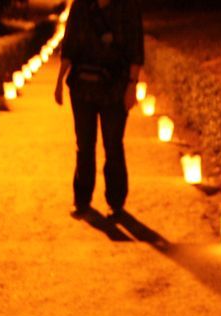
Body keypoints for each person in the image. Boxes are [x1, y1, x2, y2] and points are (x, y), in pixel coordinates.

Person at [53, 0, 144, 219]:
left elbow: (135, 49)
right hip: (82, 87)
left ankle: (116, 202)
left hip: (115, 88)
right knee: (84, 145)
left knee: (113, 145)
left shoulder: (127, 7)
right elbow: (70, 45)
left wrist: (132, 85)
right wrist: (59, 81)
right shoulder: (81, 6)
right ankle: (82, 199)